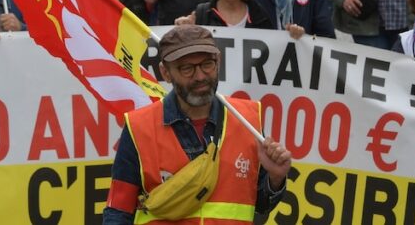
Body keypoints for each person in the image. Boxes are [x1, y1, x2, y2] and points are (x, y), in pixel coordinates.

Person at [104, 25, 291, 224]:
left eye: (207, 64)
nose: (200, 76)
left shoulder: (249, 120)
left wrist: (275, 179)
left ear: (218, 62)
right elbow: (118, 211)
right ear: (165, 73)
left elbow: (259, 208)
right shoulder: (138, 127)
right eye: (187, 68)